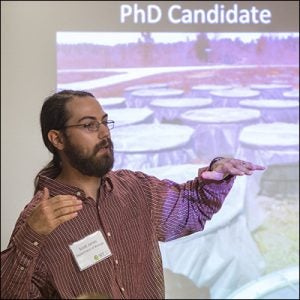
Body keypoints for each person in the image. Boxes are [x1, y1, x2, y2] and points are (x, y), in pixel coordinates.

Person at [1, 90, 265, 299]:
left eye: (104, 122)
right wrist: (31, 237)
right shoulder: (40, 219)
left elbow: (189, 210)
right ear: (57, 139)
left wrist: (215, 173)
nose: (104, 133)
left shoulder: (136, 189)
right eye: (89, 125)